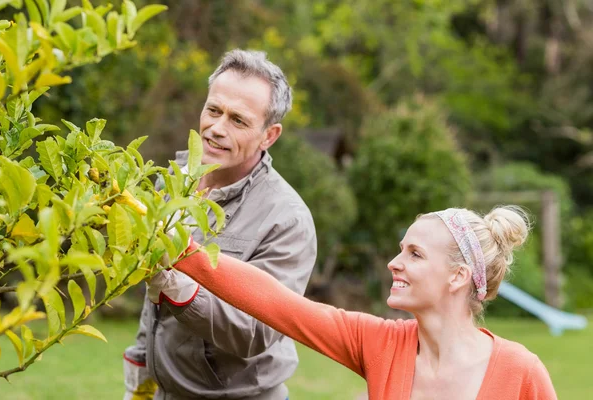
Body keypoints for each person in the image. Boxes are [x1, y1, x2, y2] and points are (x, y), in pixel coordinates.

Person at [173, 206, 558, 399]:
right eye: (400, 250)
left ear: (457, 276)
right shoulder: (378, 343)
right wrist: (180, 250)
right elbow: (279, 304)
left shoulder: (521, 372)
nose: (395, 263)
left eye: (415, 254)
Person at [123, 49, 317, 400]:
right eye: (213, 110)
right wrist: (139, 373)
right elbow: (152, 305)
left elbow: (255, 331)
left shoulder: (287, 219)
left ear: (269, 135)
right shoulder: (170, 183)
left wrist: (175, 285)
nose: (216, 128)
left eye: (238, 120)